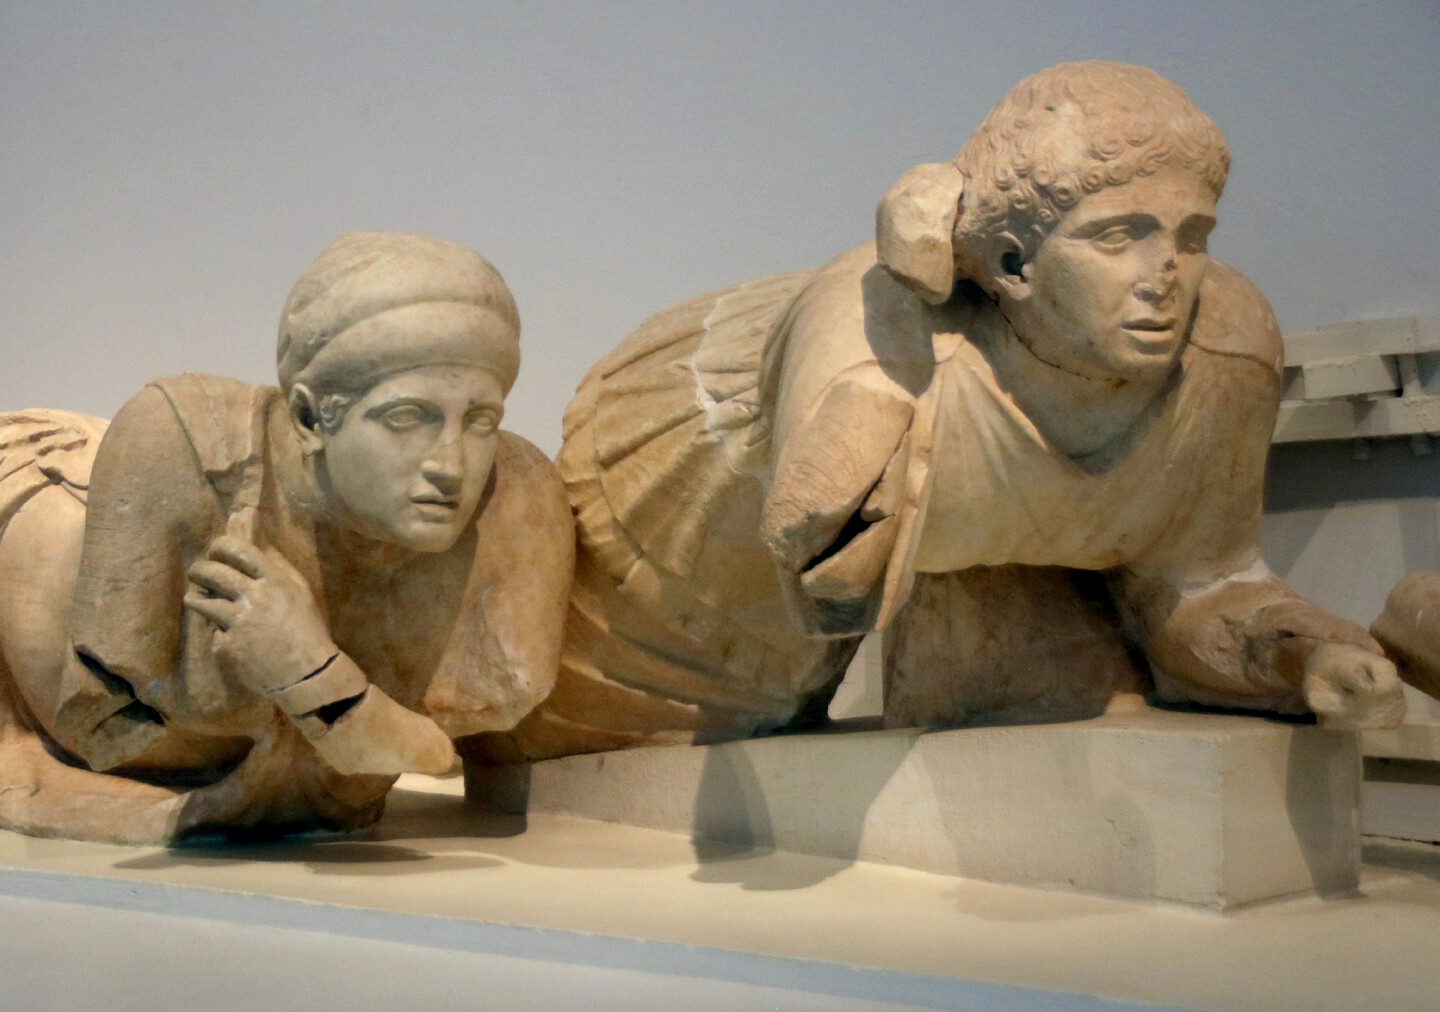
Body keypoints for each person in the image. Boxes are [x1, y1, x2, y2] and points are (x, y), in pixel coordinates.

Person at [470, 62, 1410, 764]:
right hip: (688, 583)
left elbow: (1199, 587)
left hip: (983, 569)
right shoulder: (885, 341)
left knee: (1072, 695)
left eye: (1191, 236)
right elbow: (820, 559)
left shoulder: (1224, 353)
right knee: (575, 741)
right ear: (1011, 265)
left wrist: (1304, 654)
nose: (1166, 275)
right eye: (1118, 236)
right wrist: (854, 458)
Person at [0, 231, 574, 844]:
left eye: (480, 419)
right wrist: (328, 717)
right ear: (308, 417)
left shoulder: (515, 504)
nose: (452, 464)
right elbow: (103, 733)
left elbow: (424, 757)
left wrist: (306, 669)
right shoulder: (184, 435)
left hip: (92, 534)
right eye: (409, 418)